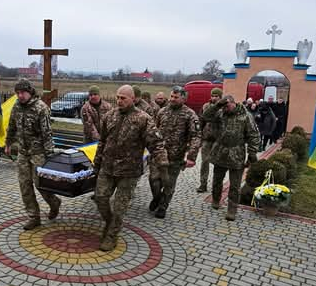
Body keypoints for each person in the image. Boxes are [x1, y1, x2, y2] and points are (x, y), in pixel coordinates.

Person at [94, 85, 168, 251]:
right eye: (118, 97)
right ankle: (110, 222)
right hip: (107, 167)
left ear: (133, 99)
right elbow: (102, 142)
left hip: (129, 171)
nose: (119, 101)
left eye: (123, 98)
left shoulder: (143, 119)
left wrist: (162, 163)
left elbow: (156, 144)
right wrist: (97, 163)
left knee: (120, 207)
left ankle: (112, 235)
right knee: (100, 198)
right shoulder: (109, 116)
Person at [5, 79, 60, 229]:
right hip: (23, 152)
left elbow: (47, 133)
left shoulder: (41, 108)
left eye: (22, 92)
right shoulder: (16, 106)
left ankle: (54, 203)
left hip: (39, 153)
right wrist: (8, 143)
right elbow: (11, 126)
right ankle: (33, 217)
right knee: (25, 185)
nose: (20, 95)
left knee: (41, 184)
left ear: (30, 92)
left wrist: (49, 155)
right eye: (17, 93)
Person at [203, 94, 260, 221]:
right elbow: (206, 116)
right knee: (217, 180)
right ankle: (216, 199)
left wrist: (252, 154)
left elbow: (254, 135)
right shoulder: (220, 113)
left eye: (227, 106)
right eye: (223, 107)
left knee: (235, 185)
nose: (225, 109)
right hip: (220, 151)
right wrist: (218, 105)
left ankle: (232, 209)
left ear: (234, 103)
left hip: (237, 153)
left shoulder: (245, 115)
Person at [151, 86, 201, 219]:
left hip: (175, 157)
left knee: (168, 183)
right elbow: (154, 131)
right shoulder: (162, 112)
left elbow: (196, 136)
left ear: (183, 98)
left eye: (176, 97)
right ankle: (157, 197)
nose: (172, 99)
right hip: (159, 154)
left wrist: (191, 156)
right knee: (153, 180)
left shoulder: (190, 114)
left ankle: (163, 207)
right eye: (171, 96)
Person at [197, 87, 222, 193]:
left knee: (218, 164)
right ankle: (203, 184)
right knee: (204, 162)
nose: (214, 98)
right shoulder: (205, 106)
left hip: (218, 140)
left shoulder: (223, 108)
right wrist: (199, 136)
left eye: (216, 96)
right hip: (207, 138)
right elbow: (201, 121)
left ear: (220, 97)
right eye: (213, 96)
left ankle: (216, 186)